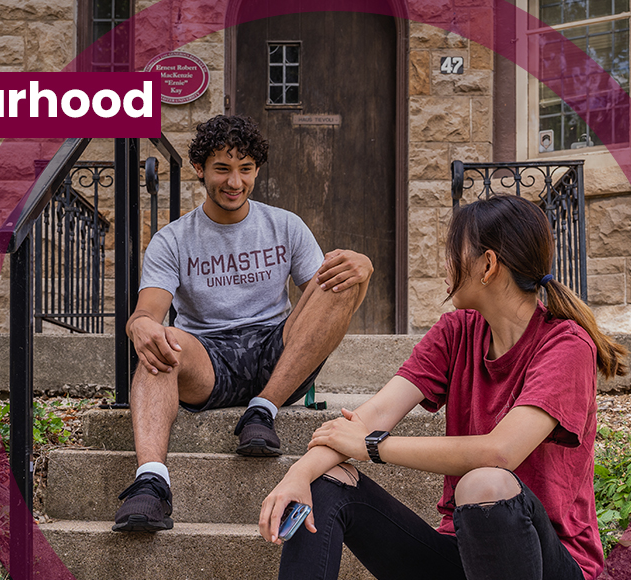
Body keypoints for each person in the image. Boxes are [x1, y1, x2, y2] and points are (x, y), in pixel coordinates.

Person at [259, 194, 628, 580]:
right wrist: (297, 476)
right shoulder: (457, 331)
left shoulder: (566, 345)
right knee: (324, 481)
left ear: (487, 265)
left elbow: (500, 452)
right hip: (461, 556)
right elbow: (373, 416)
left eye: (453, 252)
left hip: (550, 561)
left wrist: (373, 447)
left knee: (485, 484)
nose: (445, 265)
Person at [112, 115, 374, 533]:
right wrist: (140, 325)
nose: (235, 181)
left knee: (343, 275)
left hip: (280, 354)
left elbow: (325, 298)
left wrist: (362, 266)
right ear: (200, 169)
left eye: (246, 168)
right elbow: (148, 313)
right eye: (222, 168)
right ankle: (151, 484)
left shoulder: (285, 225)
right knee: (160, 344)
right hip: (209, 359)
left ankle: (262, 409)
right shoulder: (174, 239)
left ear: (256, 170)